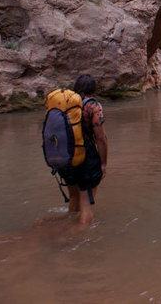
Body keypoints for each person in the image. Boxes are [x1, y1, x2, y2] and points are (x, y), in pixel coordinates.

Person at [61, 74, 109, 224]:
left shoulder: (66, 104)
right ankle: (80, 238)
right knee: (87, 204)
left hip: (66, 157)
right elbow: (100, 138)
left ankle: (67, 227)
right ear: (93, 89)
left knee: (74, 199)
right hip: (86, 158)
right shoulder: (92, 106)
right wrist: (103, 163)